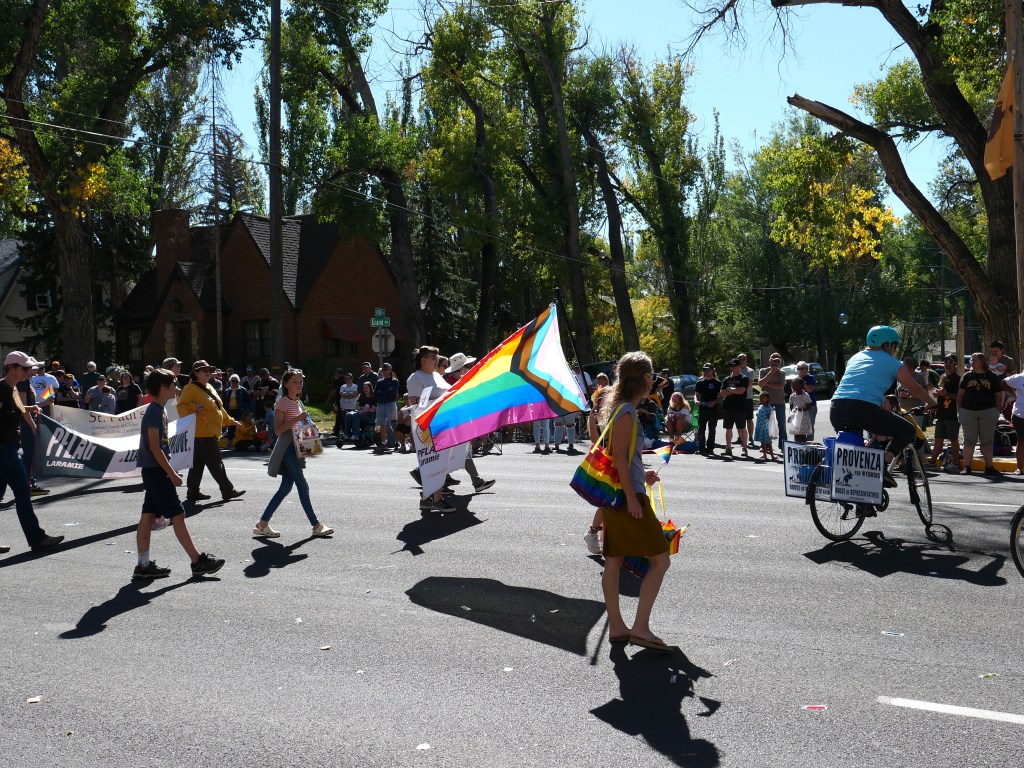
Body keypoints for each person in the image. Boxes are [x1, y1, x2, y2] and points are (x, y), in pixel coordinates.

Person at [597, 351, 671, 652]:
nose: (653, 380)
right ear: (642, 379)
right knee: (660, 559)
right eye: (650, 375)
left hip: (618, 494)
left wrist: (645, 472)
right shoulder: (626, 411)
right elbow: (617, 458)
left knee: (613, 561)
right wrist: (633, 497)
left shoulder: (621, 409)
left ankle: (617, 626)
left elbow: (624, 456)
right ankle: (640, 628)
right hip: (627, 497)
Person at [132, 368, 224, 580]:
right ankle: (197, 561)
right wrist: (171, 473)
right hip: (156, 472)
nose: (177, 388)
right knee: (178, 514)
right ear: (163, 387)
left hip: (154, 471)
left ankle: (143, 565)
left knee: (147, 516)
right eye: (174, 384)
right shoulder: (155, 411)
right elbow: (154, 447)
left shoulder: (159, 410)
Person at [829, 326, 935, 488]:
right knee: (907, 430)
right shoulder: (893, 363)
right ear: (886, 345)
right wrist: (932, 402)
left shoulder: (855, 358)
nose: (895, 350)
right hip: (863, 408)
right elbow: (915, 389)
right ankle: (882, 465)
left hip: (836, 408)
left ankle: (861, 500)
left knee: (856, 452)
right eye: (895, 346)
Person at [254, 369, 334, 539]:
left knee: (285, 487)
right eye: (295, 382)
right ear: (286, 384)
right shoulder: (282, 402)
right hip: (287, 448)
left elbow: (297, 426)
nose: (299, 385)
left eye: (301, 382)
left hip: (296, 446)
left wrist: (308, 425)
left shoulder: (296, 401)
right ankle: (316, 525)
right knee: (302, 485)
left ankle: (262, 524)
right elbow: (278, 430)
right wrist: (298, 419)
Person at [0, 352, 62, 553]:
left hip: (9, 447)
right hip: (4, 449)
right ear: (11, 368)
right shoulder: (1, 389)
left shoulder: (14, 389)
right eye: (25, 368)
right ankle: (37, 538)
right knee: (23, 491)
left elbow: (18, 409)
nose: (28, 372)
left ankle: (37, 537)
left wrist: (31, 409)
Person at [175, 360, 245, 502]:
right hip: (202, 432)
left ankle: (193, 491)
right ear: (196, 373)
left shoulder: (209, 387)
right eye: (203, 370)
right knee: (216, 462)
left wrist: (231, 421)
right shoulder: (190, 388)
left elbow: (219, 409)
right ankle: (227, 490)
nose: (208, 372)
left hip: (208, 432)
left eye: (209, 370)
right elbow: (180, 407)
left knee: (197, 464)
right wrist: (194, 407)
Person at [958, 352, 1004, 476]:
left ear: (982, 362)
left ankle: (989, 467)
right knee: (969, 440)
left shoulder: (992, 376)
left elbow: (998, 395)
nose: (971, 362)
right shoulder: (967, 376)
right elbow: (960, 394)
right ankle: (967, 467)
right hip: (968, 411)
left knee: (987, 441)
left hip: (988, 412)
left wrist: (997, 410)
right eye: (971, 360)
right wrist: (959, 410)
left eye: (974, 360)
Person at [930, 355, 961, 470]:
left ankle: (955, 463)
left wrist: (945, 394)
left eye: (951, 361)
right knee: (938, 438)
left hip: (952, 413)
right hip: (941, 413)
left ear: (955, 364)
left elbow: (959, 396)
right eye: (945, 361)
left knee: (953, 439)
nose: (947, 363)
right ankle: (932, 461)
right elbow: (940, 392)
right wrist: (936, 395)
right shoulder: (942, 377)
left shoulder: (957, 379)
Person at [756, 353, 787, 451]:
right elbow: (761, 384)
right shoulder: (763, 371)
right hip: (766, 403)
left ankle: (783, 446)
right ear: (769, 360)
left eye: (777, 360)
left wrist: (768, 384)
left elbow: (781, 386)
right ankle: (765, 446)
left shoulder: (782, 373)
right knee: (764, 424)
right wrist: (771, 372)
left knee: (781, 424)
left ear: (780, 362)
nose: (775, 362)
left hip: (779, 402)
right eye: (773, 360)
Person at [720, 358, 749, 458]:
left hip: (740, 407)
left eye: (734, 366)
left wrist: (730, 389)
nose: (732, 367)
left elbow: (741, 391)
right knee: (728, 428)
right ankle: (728, 448)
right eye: (731, 366)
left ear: (739, 366)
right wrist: (733, 390)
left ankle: (744, 448)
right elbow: (722, 393)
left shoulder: (743, 378)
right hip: (728, 407)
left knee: (741, 428)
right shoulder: (726, 379)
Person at [694, 363, 721, 456]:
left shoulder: (717, 383)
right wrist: (696, 401)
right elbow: (696, 395)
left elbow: (721, 397)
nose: (707, 372)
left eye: (709, 370)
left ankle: (710, 448)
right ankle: (701, 448)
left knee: (712, 429)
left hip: (713, 409)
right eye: (705, 370)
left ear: (713, 370)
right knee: (701, 429)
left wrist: (714, 402)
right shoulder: (700, 382)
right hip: (702, 409)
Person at [373, 362, 401, 452]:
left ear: (390, 370)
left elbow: (392, 393)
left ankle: (397, 442)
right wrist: (384, 392)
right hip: (381, 404)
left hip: (390, 404)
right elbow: (375, 393)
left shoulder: (394, 381)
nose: (383, 371)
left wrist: (383, 392)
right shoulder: (379, 382)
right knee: (382, 424)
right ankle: (383, 443)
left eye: (385, 370)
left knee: (393, 423)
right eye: (383, 370)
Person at [1002, 367, 1024, 475]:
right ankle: (1020, 468)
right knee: (1021, 441)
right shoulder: (1020, 378)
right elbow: (1004, 382)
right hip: (1020, 415)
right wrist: (1014, 395)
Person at [223, 374, 251, 445]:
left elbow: (248, 401)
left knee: (240, 426)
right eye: (233, 381)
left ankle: (240, 442)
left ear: (238, 381)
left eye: (236, 381)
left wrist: (244, 409)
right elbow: (224, 402)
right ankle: (230, 443)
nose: (234, 382)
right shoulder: (227, 391)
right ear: (230, 381)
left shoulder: (243, 390)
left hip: (240, 412)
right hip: (230, 411)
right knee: (231, 427)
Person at [334, 373, 360, 447]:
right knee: (345, 422)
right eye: (346, 378)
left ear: (352, 378)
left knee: (352, 422)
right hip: (344, 407)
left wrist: (347, 394)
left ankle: (353, 435)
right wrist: (349, 394)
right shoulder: (343, 386)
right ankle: (347, 435)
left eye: (349, 378)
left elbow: (355, 394)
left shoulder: (355, 386)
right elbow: (341, 394)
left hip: (352, 407)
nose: (347, 380)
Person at [795, 361, 819, 440]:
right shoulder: (796, 379)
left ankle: (810, 446)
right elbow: (793, 394)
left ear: (806, 370)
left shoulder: (810, 378)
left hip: (811, 406)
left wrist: (803, 383)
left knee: (809, 426)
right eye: (798, 368)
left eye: (802, 368)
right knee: (799, 426)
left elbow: (809, 390)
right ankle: (801, 445)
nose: (800, 370)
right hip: (800, 407)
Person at [737, 353, 757, 447]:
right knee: (738, 419)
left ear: (746, 360)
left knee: (749, 419)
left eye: (743, 359)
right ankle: (740, 437)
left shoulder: (750, 371)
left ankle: (750, 438)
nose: (742, 360)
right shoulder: (735, 370)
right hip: (737, 398)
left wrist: (737, 388)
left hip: (747, 398)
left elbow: (748, 383)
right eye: (740, 359)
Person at [788, 378, 813, 443]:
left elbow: (809, 406)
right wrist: (791, 416)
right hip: (795, 419)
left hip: (803, 419)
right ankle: (797, 447)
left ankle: (803, 449)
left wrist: (802, 409)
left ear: (801, 386)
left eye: (795, 384)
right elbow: (791, 407)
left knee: (802, 435)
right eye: (792, 384)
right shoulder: (792, 396)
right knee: (796, 434)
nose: (793, 386)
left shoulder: (805, 395)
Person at [754, 391, 776, 460]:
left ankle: (772, 456)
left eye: (763, 398)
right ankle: (764, 454)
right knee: (763, 442)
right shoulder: (760, 407)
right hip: (760, 427)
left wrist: (770, 414)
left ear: (767, 399)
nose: (761, 400)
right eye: (760, 398)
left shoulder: (769, 408)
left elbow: (770, 418)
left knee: (768, 443)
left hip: (765, 428)